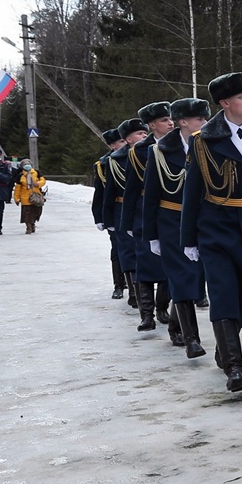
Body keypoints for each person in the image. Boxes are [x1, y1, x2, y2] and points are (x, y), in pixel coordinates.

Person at [182, 73, 242, 395]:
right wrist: (188, 239)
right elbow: (193, 191)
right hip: (216, 227)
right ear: (224, 103)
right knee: (223, 293)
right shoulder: (204, 140)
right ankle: (234, 367)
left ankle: (224, 341)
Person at [144, 98, 210, 359]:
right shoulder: (160, 151)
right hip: (171, 221)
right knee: (182, 277)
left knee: (195, 276)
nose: (205, 124)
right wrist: (152, 235)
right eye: (200, 120)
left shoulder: (209, 146)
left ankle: (175, 324)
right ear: (183, 122)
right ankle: (192, 339)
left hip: (202, 221)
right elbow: (150, 195)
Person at [121, 102, 175, 333]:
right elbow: (131, 189)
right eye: (164, 120)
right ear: (152, 125)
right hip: (145, 212)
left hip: (171, 210)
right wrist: (128, 223)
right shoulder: (139, 151)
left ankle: (162, 307)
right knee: (144, 262)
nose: (170, 123)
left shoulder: (179, 145)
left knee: (168, 263)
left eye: (171, 119)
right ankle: (146, 314)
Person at [104, 119, 147, 305]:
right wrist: (105, 218)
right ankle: (128, 290)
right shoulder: (112, 162)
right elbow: (106, 194)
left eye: (145, 134)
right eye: (140, 134)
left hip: (150, 208)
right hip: (122, 209)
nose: (144, 137)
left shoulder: (153, 154)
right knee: (125, 252)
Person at [90, 128, 126, 299]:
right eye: (121, 142)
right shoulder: (104, 165)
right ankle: (119, 284)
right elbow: (100, 193)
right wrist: (99, 217)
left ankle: (137, 285)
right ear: (112, 145)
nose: (125, 144)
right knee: (117, 249)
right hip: (115, 211)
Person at [12, 156, 47, 233]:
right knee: (27, 213)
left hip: (36, 196)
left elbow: (43, 180)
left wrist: (38, 183)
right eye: (25, 164)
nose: (27, 165)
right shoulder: (20, 176)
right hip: (25, 197)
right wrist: (16, 198)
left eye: (28, 163)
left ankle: (33, 223)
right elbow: (17, 188)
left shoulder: (36, 173)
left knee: (36, 212)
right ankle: (28, 227)